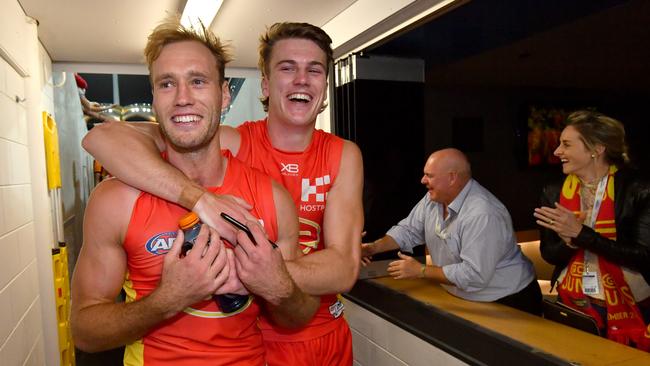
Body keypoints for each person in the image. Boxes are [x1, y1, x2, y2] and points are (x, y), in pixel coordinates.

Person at [81, 22, 363, 365]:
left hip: (311, 330)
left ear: (224, 94)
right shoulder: (229, 138)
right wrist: (201, 200)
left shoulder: (335, 158)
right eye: (167, 84)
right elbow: (101, 138)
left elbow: (343, 269)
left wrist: (260, 273)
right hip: (261, 337)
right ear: (265, 83)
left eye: (314, 70)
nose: (184, 97)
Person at [362, 148, 542, 315]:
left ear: (452, 178)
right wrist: (372, 248)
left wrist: (421, 271)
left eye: (429, 175)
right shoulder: (433, 198)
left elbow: (474, 275)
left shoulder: (482, 213)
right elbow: (409, 230)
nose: (423, 180)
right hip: (467, 297)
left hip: (508, 299)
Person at [534, 110, 650, 350]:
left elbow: (644, 256)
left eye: (566, 144)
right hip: (573, 301)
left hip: (631, 303)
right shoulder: (553, 191)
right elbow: (548, 254)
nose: (557, 152)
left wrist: (582, 235)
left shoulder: (637, 189)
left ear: (597, 149)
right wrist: (570, 242)